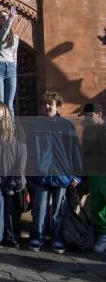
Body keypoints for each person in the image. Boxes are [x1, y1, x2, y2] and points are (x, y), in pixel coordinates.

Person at [27, 91, 83, 254]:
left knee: (59, 211)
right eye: (44, 104)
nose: (46, 107)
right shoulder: (35, 126)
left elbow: (75, 152)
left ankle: (57, 238)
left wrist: (77, 175)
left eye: (50, 104)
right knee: (39, 210)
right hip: (41, 176)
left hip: (62, 175)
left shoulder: (67, 126)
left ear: (57, 106)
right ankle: (37, 237)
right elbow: (29, 152)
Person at [0, 101, 27, 252]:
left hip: (11, 176)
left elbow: (22, 154)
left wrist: (19, 176)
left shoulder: (16, 129)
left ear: (5, 111)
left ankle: (10, 237)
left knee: (10, 209)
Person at [78, 102, 106, 253]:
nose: (87, 119)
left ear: (99, 114)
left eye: (90, 116)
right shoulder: (87, 131)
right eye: (85, 116)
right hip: (93, 176)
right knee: (96, 208)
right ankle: (102, 236)